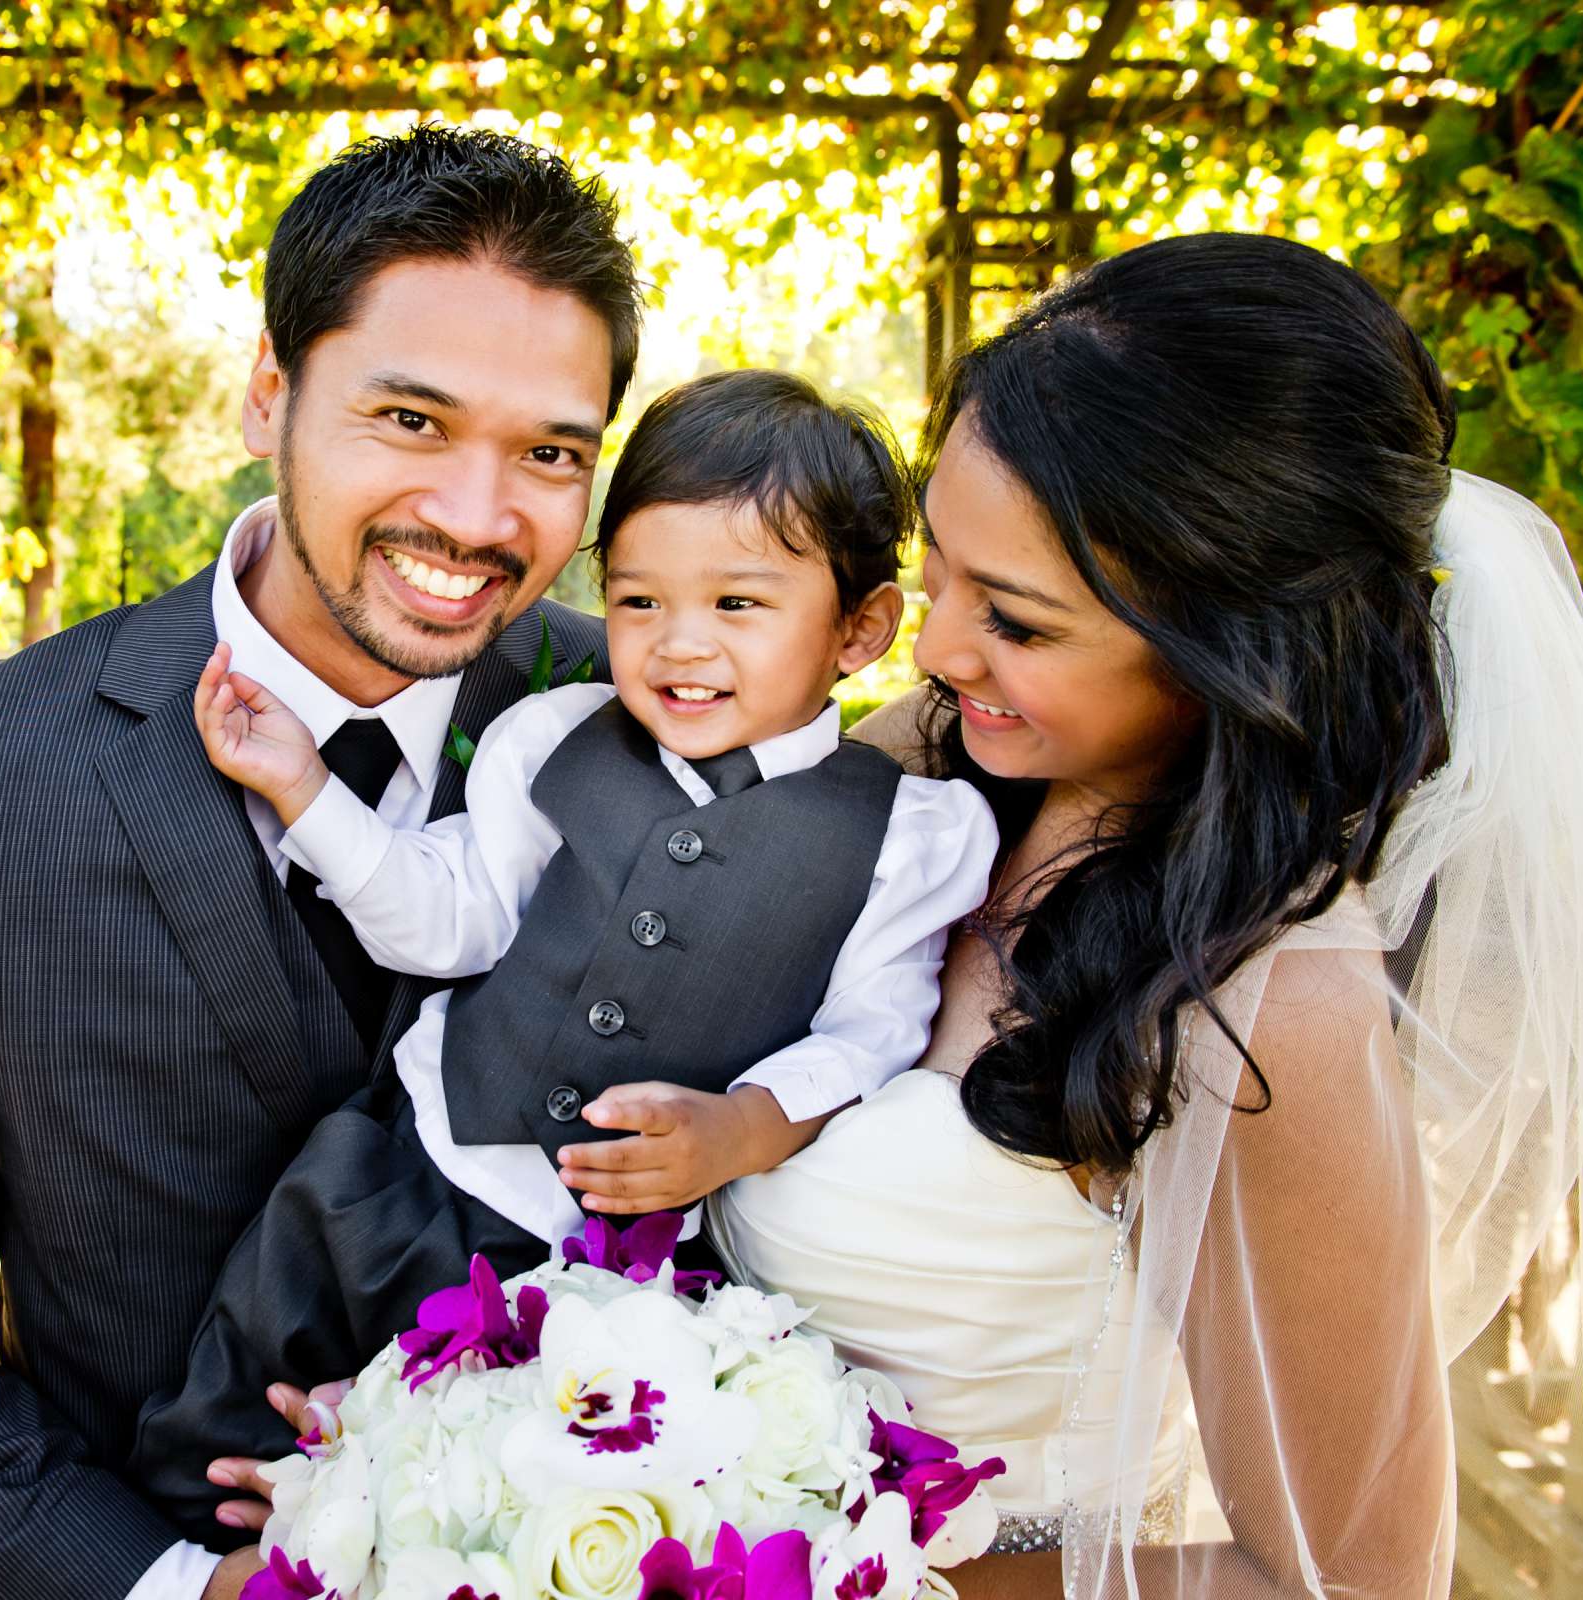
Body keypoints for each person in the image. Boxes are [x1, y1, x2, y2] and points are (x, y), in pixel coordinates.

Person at [705, 234, 1583, 1594]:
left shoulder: (1270, 1017)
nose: (935, 649)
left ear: (1230, 650)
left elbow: (1341, 1578)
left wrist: (826, 1575)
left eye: (1021, 623)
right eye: (941, 575)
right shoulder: (926, 759)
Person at [0, 126, 644, 1600]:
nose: (480, 520)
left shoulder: (665, 737)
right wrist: (155, 1587)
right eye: (410, 420)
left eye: (549, 452)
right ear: (268, 392)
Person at [129, 369, 999, 1525]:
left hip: (594, 1272)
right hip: (407, 1164)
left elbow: (871, 1034)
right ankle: (200, 1543)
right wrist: (304, 789)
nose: (678, 645)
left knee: (464, 1493)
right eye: (639, 602)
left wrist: (742, 1127)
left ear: (860, 627)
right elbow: (449, 914)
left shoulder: (907, 833)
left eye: (738, 605)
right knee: (242, 1389)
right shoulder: (556, 737)